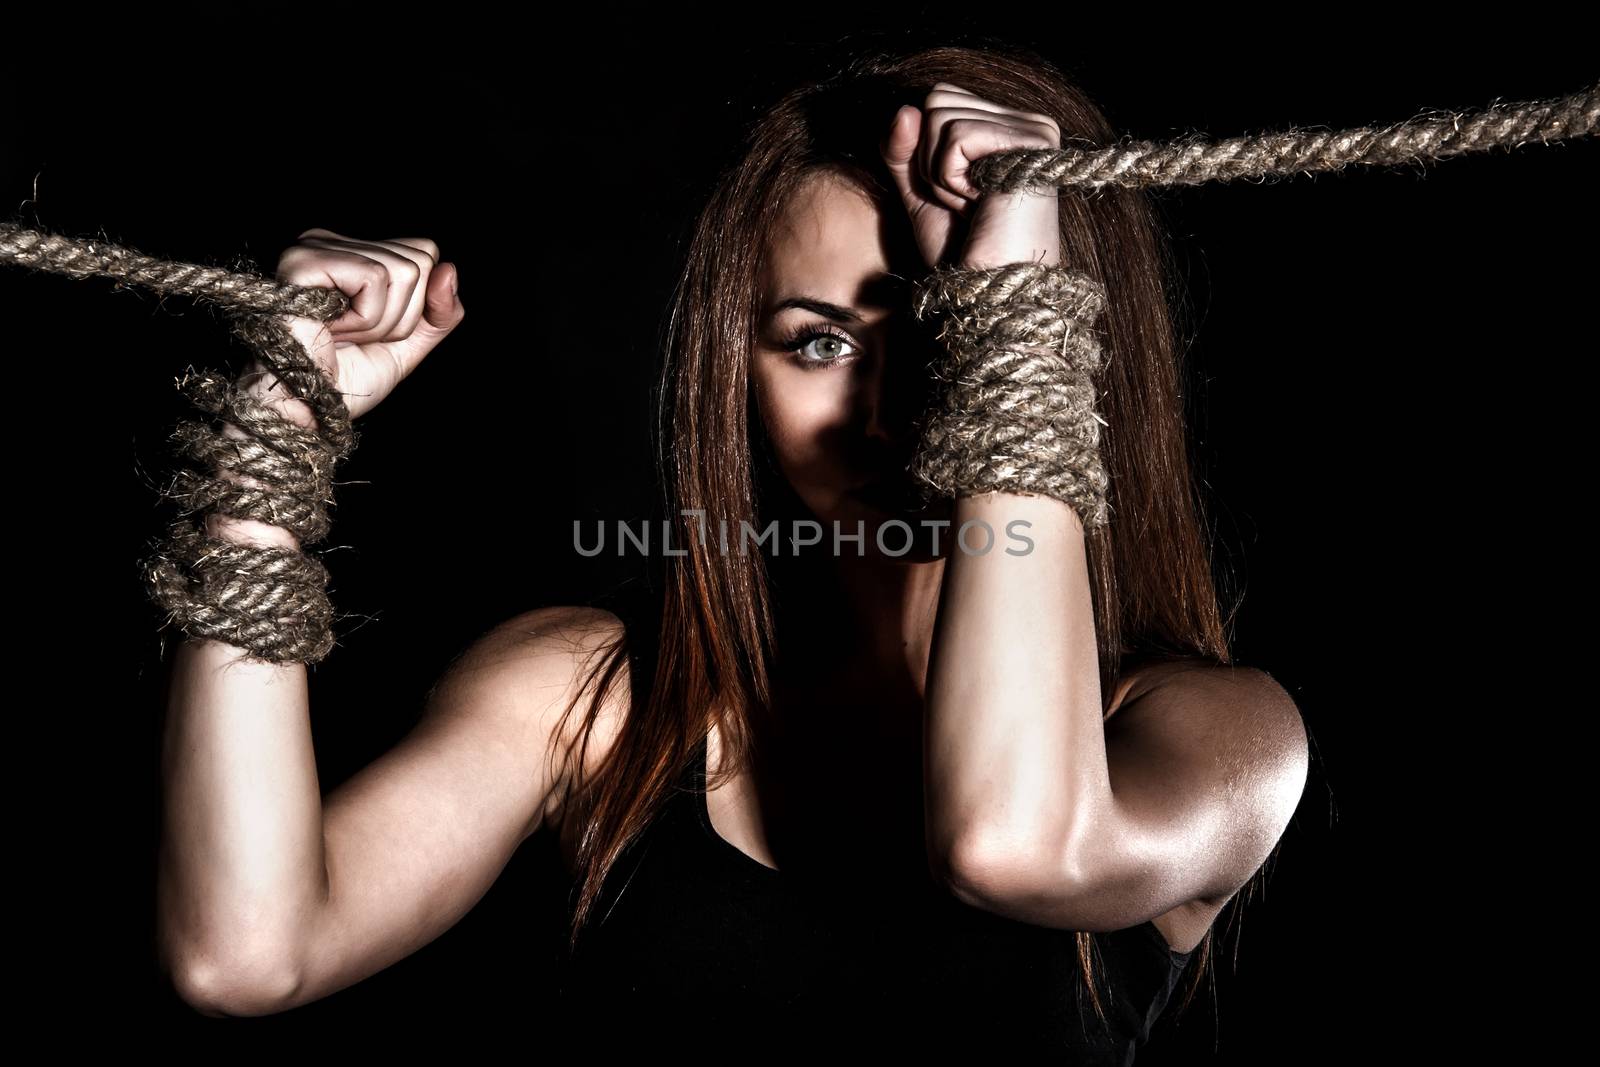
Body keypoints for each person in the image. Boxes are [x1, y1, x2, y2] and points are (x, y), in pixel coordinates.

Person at [155, 41, 1310, 1058]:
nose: (889, 407)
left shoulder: (1212, 733)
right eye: (818, 343)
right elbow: (246, 953)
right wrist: (273, 448)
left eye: (951, 328)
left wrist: (1006, 287)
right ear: (737, 379)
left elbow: (1013, 842)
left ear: (1059, 342)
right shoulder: (591, 697)